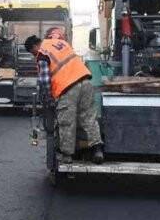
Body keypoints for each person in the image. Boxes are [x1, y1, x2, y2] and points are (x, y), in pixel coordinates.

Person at [25, 28, 103, 165]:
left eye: (33, 53)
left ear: (34, 46)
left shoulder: (42, 52)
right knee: (89, 118)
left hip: (68, 88)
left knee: (67, 122)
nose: (34, 55)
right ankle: (97, 149)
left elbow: (44, 79)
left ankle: (67, 156)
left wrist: (48, 97)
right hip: (85, 82)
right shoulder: (61, 44)